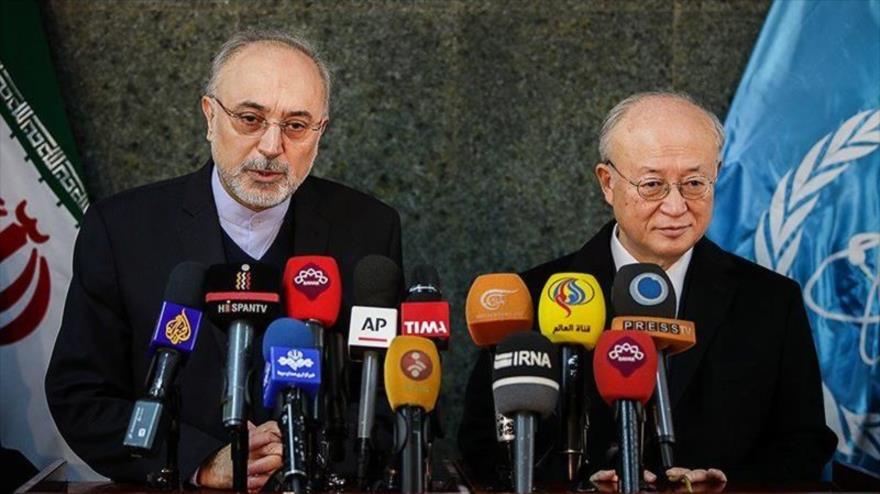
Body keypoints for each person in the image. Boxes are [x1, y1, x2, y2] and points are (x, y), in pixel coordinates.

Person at [45, 30, 402, 491]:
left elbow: (396, 396)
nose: (272, 146)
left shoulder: (370, 229)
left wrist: (300, 452)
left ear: (321, 132)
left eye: (296, 125)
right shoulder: (122, 229)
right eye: (250, 119)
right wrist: (201, 460)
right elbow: (82, 397)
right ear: (210, 117)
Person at [458, 92, 837, 488]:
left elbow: (804, 443)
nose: (676, 206)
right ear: (607, 183)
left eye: (694, 183)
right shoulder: (533, 299)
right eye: (653, 184)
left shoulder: (771, 301)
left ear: (717, 174)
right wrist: (580, 485)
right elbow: (483, 445)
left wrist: (728, 485)